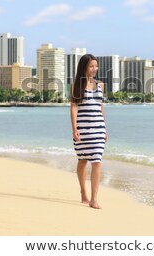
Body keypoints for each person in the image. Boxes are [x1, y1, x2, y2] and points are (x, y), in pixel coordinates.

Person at [70, 54, 107, 209]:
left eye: (96, 66)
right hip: (83, 128)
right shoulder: (76, 86)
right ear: (84, 67)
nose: (94, 69)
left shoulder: (101, 85)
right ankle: (83, 192)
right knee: (83, 160)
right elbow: (73, 107)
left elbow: (101, 107)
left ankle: (94, 199)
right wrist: (75, 129)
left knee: (97, 161)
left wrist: (105, 128)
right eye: (91, 66)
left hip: (98, 128)